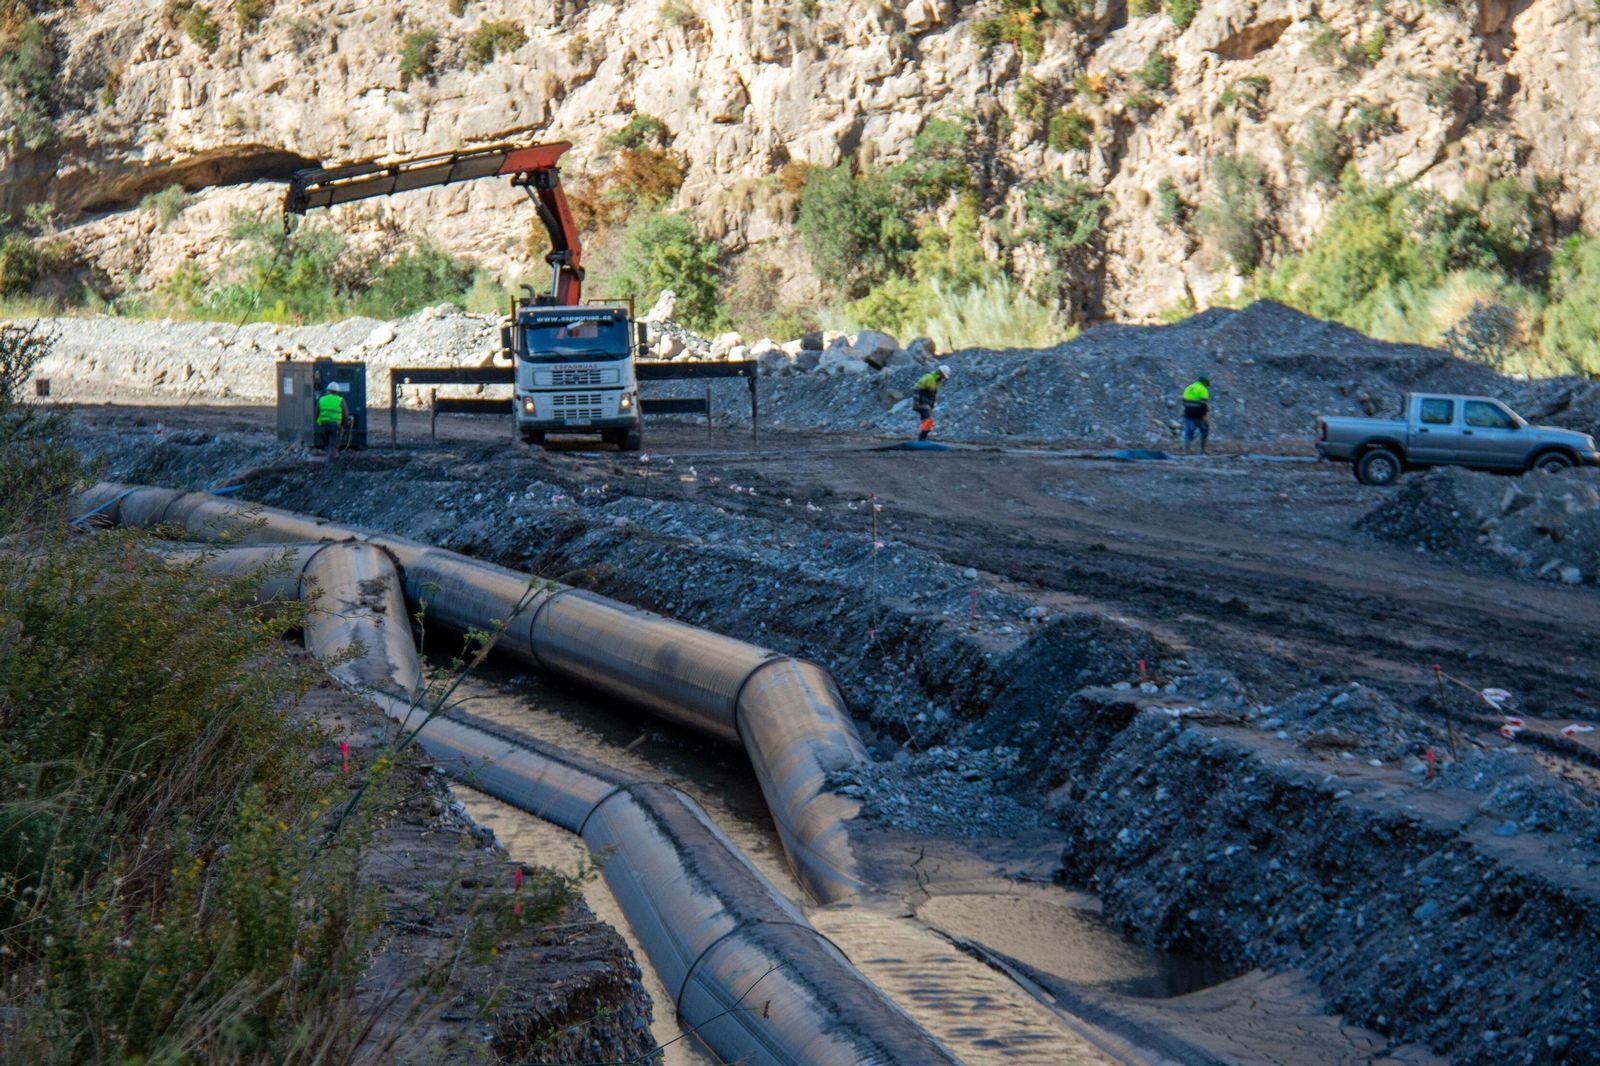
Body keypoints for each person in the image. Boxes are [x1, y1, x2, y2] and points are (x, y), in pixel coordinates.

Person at [912, 365, 950, 441]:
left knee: (928, 420)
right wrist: (916, 401)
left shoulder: (937, 382)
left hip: (927, 404)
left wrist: (931, 407)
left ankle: (923, 438)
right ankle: (922, 438)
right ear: (940, 372)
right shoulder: (929, 377)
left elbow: (933, 395)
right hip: (921, 402)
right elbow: (917, 388)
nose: (943, 378)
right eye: (943, 376)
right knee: (927, 420)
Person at [316, 383, 350, 462]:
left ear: (328, 390)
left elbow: (317, 414)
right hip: (335, 426)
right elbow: (346, 416)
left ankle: (329, 459)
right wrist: (342, 426)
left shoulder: (321, 399)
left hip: (324, 426)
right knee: (333, 445)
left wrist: (319, 423)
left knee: (327, 444)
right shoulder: (340, 400)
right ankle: (331, 464)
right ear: (337, 391)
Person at [1181, 374, 1210, 454]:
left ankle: (1187, 451)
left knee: (1188, 433)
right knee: (1204, 430)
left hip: (1188, 414)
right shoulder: (1203, 389)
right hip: (1199, 415)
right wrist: (1204, 416)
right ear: (1204, 383)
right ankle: (1202, 451)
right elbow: (1203, 405)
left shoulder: (1188, 388)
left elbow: (1184, 401)